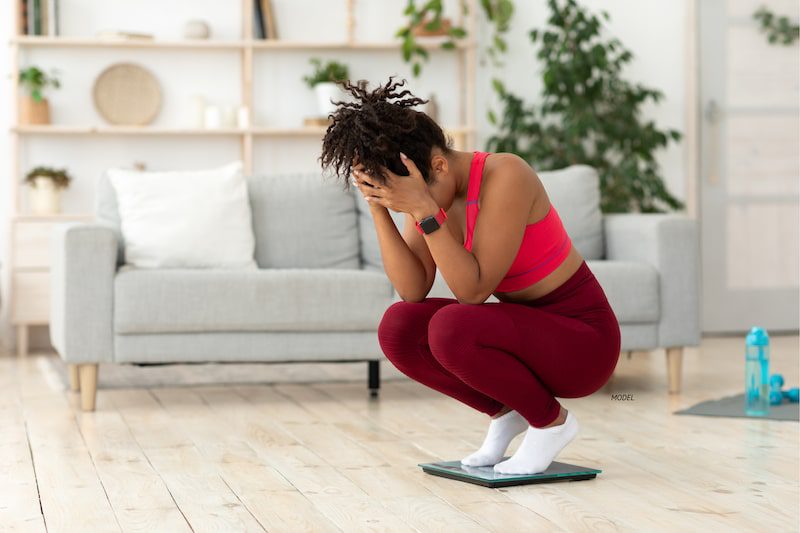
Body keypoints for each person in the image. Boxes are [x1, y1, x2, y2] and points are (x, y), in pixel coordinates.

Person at [319, 76, 621, 475]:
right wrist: (379, 205)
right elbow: (411, 290)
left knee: (452, 326)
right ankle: (509, 411)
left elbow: (473, 292)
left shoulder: (506, 174)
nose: (405, 208)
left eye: (402, 197)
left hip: (582, 344)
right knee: (399, 325)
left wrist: (423, 209)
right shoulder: (427, 194)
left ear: (439, 165)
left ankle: (551, 424)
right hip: (531, 335)